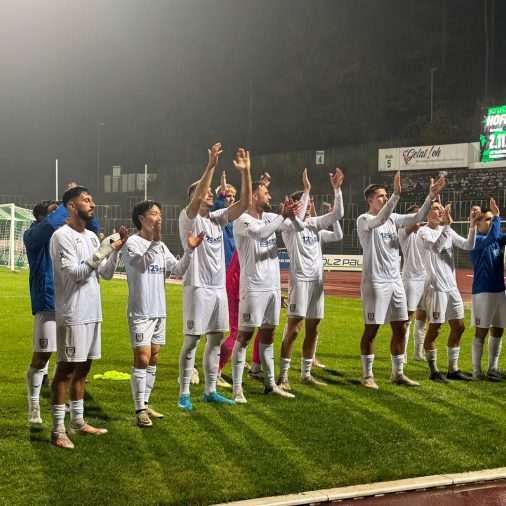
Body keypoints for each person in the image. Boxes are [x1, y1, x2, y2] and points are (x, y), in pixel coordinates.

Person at [49, 186, 127, 449]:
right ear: (72, 206)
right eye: (86, 200)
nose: (92, 204)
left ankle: (78, 422)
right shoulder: (61, 236)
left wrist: (114, 250)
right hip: (73, 313)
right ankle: (58, 429)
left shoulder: (92, 236)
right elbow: (76, 274)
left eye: (92, 199)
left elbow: (105, 274)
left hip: (93, 312)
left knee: (83, 369)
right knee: (66, 370)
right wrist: (103, 251)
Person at [177, 144, 252, 411]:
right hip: (197, 287)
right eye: (206, 192)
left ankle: (210, 390)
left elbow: (244, 204)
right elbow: (199, 196)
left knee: (216, 338)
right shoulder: (188, 218)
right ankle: (184, 393)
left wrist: (246, 173)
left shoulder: (217, 219)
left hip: (217, 287)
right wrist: (210, 166)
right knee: (193, 340)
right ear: (194, 197)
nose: (211, 194)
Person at [357, 171, 445, 389]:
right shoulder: (365, 220)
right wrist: (396, 195)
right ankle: (367, 376)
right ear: (370, 200)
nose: (385, 198)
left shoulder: (393, 219)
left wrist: (430, 198)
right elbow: (380, 219)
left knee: (401, 327)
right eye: (381, 196)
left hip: (395, 281)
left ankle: (398, 374)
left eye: (386, 195)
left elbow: (417, 218)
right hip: (375, 282)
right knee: (372, 330)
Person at [122, 200, 204, 427]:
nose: (159, 217)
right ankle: (139, 409)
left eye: (160, 213)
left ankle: (146, 402)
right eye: (155, 213)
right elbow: (141, 265)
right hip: (140, 311)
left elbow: (177, 269)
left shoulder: (161, 245)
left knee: (154, 357)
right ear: (142, 218)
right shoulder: (132, 243)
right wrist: (156, 242)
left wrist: (189, 251)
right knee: (142, 358)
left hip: (159, 310)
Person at [24, 191, 99, 424]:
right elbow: (50, 224)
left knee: (71, 360)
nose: (61, 216)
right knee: (42, 356)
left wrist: (82, 208)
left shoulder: (69, 235)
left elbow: (93, 226)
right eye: (55, 212)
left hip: (71, 303)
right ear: (41, 217)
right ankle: (34, 405)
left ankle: (70, 409)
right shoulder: (34, 234)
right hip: (48, 304)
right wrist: (70, 204)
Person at [230, 180, 303, 403]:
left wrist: (292, 215)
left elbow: (297, 229)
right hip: (253, 288)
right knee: (245, 336)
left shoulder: (271, 217)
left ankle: (270, 384)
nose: (270, 196)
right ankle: (237, 389)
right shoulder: (242, 220)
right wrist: (283, 216)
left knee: (269, 335)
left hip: (272, 287)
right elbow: (261, 234)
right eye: (266, 192)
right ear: (254, 196)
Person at [277, 168, 344, 390]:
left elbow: (338, 216)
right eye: (305, 203)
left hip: (317, 281)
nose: (309, 206)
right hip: (300, 281)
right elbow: (297, 222)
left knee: (313, 328)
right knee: (294, 328)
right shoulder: (288, 225)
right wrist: (306, 191)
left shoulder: (315, 225)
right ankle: (283, 376)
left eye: (309, 202)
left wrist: (337, 190)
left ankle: (306, 374)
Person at [416, 202, 479, 383]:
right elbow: (436, 248)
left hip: (452, 287)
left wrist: (472, 225)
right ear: (427, 213)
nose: (441, 210)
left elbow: (468, 245)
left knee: (459, 327)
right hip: (435, 287)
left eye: (442, 208)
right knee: (435, 329)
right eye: (436, 208)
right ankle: (434, 371)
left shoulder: (448, 231)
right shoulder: (423, 232)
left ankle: (453, 369)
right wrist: (447, 227)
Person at [469, 198, 506, 380]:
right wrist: (498, 215)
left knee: (498, 329)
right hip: (483, 291)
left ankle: (493, 367)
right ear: (478, 223)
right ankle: (477, 371)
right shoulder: (476, 240)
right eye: (488, 219)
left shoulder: (497, 237)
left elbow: (497, 236)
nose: (492, 222)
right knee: (481, 330)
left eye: (492, 219)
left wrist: (496, 219)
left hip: (500, 290)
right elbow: (492, 237)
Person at [398, 205, 427, 362]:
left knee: (423, 315)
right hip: (411, 279)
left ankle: (418, 353)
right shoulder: (403, 232)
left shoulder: (424, 233)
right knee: (407, 318)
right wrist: (423, 214)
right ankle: (402, 355)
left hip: (426, 278)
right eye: (415, 215)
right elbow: (415, 224)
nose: (419, 217)